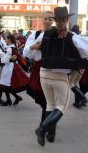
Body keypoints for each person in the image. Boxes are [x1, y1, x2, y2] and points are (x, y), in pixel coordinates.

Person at [35, 6, 88, 146]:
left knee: (50, 104)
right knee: (62, 106)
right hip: (60, 75)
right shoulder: (72, 36)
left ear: (55, 20)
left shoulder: (46, 33)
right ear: (67, 19)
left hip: (44, 73)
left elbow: (33, 52)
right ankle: (42, 129)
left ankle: (51, 135)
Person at [23, 11, 54, 141]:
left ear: (53, 21)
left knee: (51, 102)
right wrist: (34, 46)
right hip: (39, 69)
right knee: (45, 102)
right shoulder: (36, 34)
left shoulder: (58, 34)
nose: (47, 21)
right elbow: (26, 53)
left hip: (54, 69)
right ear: (42, 20)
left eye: (50, 19)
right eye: (45, 18)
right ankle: (48, 126)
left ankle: (48, 130)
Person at [0, 34, 27, 106]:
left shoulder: (10, 48)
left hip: (10, 68)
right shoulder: (13, 47)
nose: (5, 40)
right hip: (11, 66)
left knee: (5, 85)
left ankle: (10, 100)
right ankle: (12, 99)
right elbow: (10, 57)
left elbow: (7, 59)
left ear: (9, 40)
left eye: (6, 39)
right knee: (4, 85)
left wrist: (0, 56)